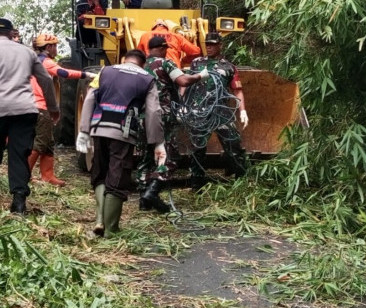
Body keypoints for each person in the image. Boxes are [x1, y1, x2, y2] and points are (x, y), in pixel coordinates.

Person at [0, 18, 59, 214]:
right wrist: (53, 108)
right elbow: (45, 79)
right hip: (25, 110)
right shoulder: (27, 52)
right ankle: (18, 201)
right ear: (12, 34)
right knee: (19, 153)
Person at [77, 49, 164, 237]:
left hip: (99, 130)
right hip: (122, 134)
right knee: (117, 178)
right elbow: (154, 112)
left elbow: (90, 98)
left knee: (99, 174)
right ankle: (111, 230)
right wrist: (157, 143)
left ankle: (100, 220)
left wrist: (84, 130)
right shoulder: (147, 79)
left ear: (124, 60)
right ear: (143, 64)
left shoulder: (105, 71)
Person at [137, 36, 209, 212]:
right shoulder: (165, 64)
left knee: (146, 156)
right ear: (162, 48)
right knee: (170, 156)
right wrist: (200, 75)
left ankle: (143, 201)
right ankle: (152, 192)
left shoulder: (140, 66)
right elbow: (183, 81)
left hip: (142, 117)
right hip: (162, 116)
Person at [28, 33, 95, 186]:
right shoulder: (46, 62)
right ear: (49, 47)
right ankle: (25, 174)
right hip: (41, 106)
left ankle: (48, 175)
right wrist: (86, 74)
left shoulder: (35, 60)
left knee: (48, 142)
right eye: (55, 46)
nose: (56, 49)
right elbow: (63, 73)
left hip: (35, 105)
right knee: (40, 142)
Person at [188, 32, 249, 190]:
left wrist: (242, 111)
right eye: (207, 43)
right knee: (198, 147)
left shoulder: (228, 67)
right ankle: (197, 181)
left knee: (233, 144)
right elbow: (186, 84)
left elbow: (238, 90)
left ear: (220, 45)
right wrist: (183, 103)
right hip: (200, 111)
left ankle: (240, 177)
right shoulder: (196, 63)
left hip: (221, 111)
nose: (209, 46)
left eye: (213, 44)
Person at [137, 19, 201, 68]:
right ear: (167, 28)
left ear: (153, 28)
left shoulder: (145, 36)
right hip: (174, 70)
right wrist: (183, 61)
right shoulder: (176, 36)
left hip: (152, 70)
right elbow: (195, 51)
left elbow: (138, 56)